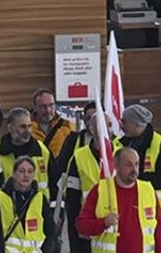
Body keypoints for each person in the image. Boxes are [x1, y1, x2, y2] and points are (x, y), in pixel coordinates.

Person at [76, 147, 161, 253]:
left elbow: (159, 232)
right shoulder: (100, 190)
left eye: (137, 164)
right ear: (116, 166)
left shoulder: (148, 190)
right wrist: (104, 223)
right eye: (128, 165)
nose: (134, 170)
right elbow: (81, 226)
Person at [116, 104, 161, 226]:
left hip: (156, 210)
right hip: (127, 207)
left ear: (136, 125)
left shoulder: (160, 144)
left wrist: (133, 179)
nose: (121, 125)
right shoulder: (120, 143)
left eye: (124, 121)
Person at [66, 104, 105, 253]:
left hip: (114, 220)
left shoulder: (120, 151)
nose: (105, 130)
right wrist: (77, 223)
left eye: (108, 125)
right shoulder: (79, 155)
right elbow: (72, 193)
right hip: (87, 216)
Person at [0, 156, 55, 253]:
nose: (26, 175)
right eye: (21, 171)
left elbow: (50, 232)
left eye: (30, 171)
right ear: (13, 174)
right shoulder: (0, 197)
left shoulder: (40, 199)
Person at [0, 107, 53, 193]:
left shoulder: (42, 150)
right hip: (7, 203)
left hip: (38, 203)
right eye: (22, 127)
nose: (27, 131)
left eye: (29, 126)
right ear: (10, 127)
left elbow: (54, 181)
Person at [31, 88, 75, 169]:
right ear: (35, 107)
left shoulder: (68, 126)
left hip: (60, 174)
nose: (48, 110)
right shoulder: (27, 128)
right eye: (42, 106)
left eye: (51, 105)